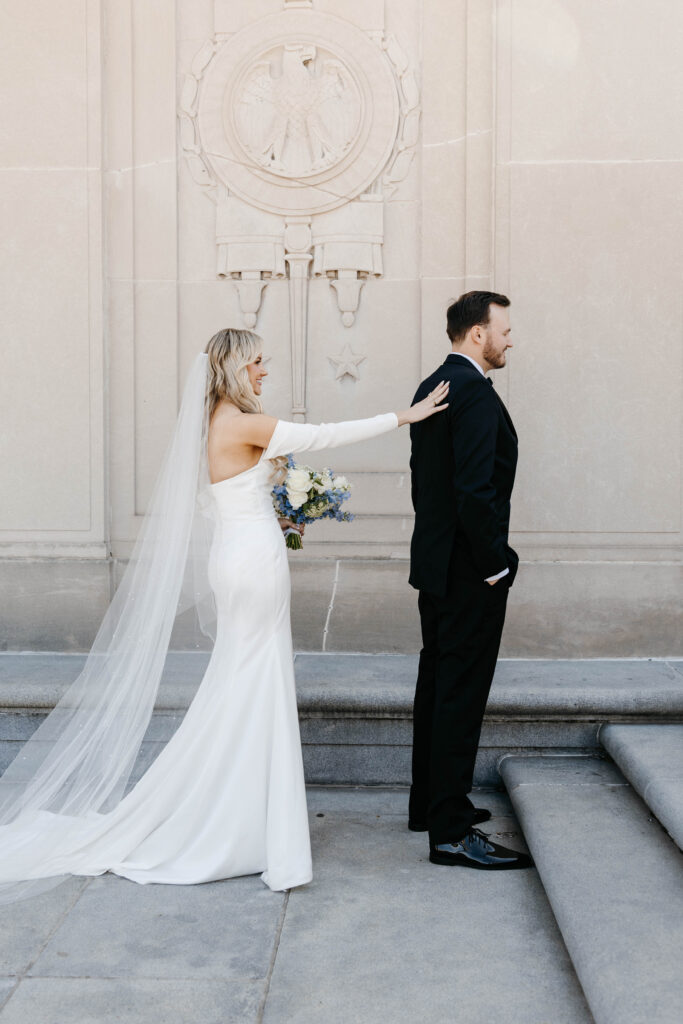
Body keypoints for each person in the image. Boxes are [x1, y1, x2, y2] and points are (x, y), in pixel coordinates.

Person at [0, 328, 448, 903]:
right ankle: (240, 823)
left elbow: (224, 499)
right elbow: (322, 435)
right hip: (252, 565)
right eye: (257, 362)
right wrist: (404, 416)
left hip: (241, 554)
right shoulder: (239, 422)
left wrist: (279, 517)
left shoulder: (218, 420)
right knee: (254, 680)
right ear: (235, 366)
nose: (264, 370)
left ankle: (244, 817)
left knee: (245, 681)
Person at [408, 292, 533, 870]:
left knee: (438, 686)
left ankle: (430, 805)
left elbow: (427, 484)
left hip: (436, 566)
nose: (510, 340)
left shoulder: (433, 385)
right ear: (477, 334)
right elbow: (474, 492)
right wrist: (495, 565)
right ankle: (452, 833)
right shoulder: (475, 394)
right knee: (459, 695)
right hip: (469, 574)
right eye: (503, 330)